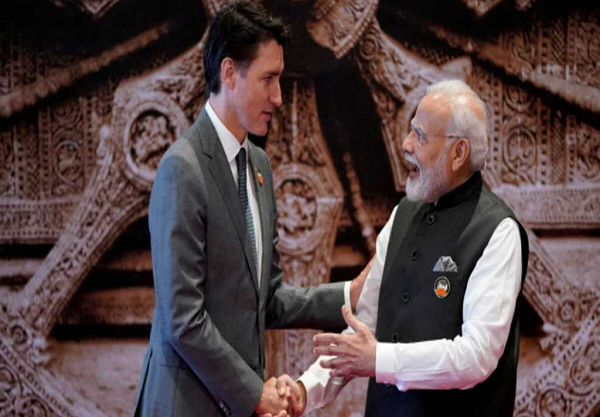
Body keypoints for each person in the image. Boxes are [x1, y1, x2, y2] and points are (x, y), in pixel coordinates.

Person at [132, 2, 365, 416]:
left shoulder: (257, 166)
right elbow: (183, 318)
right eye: (268, 79)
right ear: (229, 73)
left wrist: (349, 294)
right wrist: (254, 393)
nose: (278, 97)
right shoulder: (182, 169)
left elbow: (267, 298)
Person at [281, 80, 529, 416]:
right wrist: (304, 391)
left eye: (421, 136)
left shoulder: (498, 232)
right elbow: (366, 323)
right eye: (411, 130)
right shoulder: (403, 214)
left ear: (459, 153)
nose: (405, 144)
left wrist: (380, 360)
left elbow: (476, 356)